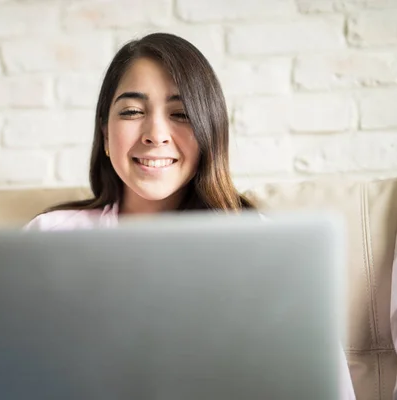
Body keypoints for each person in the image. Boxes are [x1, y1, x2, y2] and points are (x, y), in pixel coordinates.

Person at [25, 32, 355, 399]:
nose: (156, 134)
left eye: (180, 114)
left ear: (208, 131)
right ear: (105, 134)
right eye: (133, 112)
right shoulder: (48, 237)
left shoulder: (262, 249)